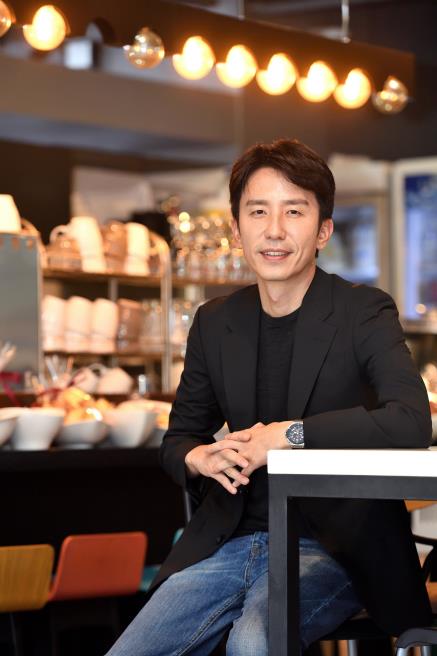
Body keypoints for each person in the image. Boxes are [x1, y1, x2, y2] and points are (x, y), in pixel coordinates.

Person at [106, 139, 432, 656]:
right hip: (230, 543)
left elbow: (412, 421)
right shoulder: (216, 321)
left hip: (336, 551)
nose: (274, 230)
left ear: (323, 230)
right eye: (258, 211)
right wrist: (198, 457)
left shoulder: (363, 311)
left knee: (254, 642)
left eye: (294, 211)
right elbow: (179, 439)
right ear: (237, 229)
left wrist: (290, 435)